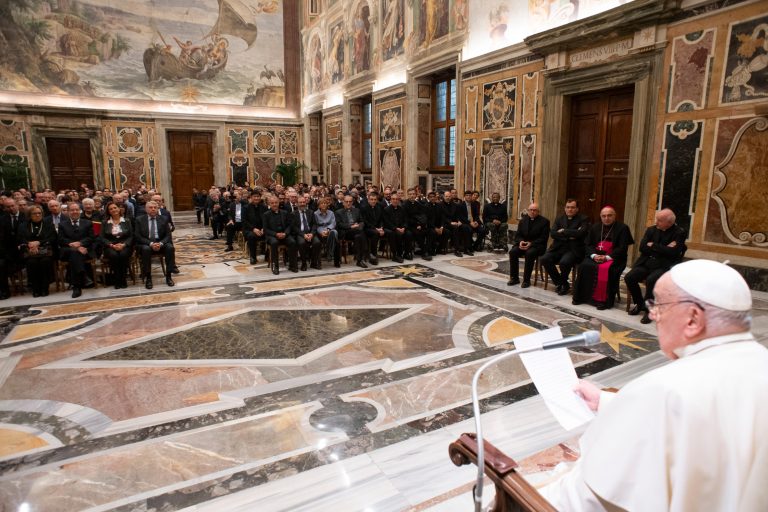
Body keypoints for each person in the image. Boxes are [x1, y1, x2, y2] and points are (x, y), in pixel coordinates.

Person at [540, 259, 768, 511]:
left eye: (659, 304)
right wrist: (606, 402)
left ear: (693, 318)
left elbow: (586, 500)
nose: (651, 313)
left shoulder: (662, 389)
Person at [625, 208, 687, 324]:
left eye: (659, 220)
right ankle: (640, 304)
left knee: (651, 280)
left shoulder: (679, 232)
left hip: (664, 266)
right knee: (629, 277)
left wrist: (653, 245)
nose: (656, 222)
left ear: (669, 222)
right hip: (646, 262)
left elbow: (674, 252)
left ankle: (650, 310)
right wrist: (664, 248)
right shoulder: (651, 230)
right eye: (656, 219)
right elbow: (642, 247)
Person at [572, 206, 634, 310]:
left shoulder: (623, 228)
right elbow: (588, 245)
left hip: (615, 258)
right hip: (596, 256)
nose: (606, 218)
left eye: (609, 215)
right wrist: (594, 255)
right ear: (601, 217)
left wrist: (607, 257)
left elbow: (622, 248)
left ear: (615, 216)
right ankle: (581, 297)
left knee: (607, 269)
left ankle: (603, 300)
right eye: (604, 216)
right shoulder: (595, 227)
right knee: (584, 266)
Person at [540, 198, 590, 296]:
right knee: (544, 259)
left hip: (574, 250)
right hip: (558, 247)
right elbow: (553, 233)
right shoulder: (559, 218)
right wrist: (571, 235)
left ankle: (562, 284)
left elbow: (581, 233)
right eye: (568, 207)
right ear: (565, 208)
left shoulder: (584, 219)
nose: (570, 210)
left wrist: (563, 231)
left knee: (564, 262)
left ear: (577, 209)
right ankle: (561, 283)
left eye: (572, 207)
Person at [135, 200, 175, 289]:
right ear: (146, 209)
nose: (153, 209)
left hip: (160, 242)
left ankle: (169, 276)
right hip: (146, 243)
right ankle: (148, 277)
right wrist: (151, 243)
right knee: (146, 249)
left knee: (170, 247)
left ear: (157, 209)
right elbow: (138, 236)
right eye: (150, 208)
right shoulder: (139, 220)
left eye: (155, 208)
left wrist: (160, 243)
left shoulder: (164, 219)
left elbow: (168, 235)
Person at [17, 205, 56, 297]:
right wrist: (30, 244)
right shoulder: (23, 225)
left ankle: (44, 288)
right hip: (30, 252)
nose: (37, 215)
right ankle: (35, 288)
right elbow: (20, 239)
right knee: (32, 262)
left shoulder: (48, 224)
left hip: (45, 251)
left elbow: (52, 238)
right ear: (29, 215)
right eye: (34, 213)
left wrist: (38, 242)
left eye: (39, 213)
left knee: (44, 261)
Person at [58, 202, 95, 298]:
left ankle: (76, 286)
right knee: (74, 252)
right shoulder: (62, 224)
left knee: (75, 254)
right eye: (72, 210)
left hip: (85, 250)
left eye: (76, 210)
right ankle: (83, 276)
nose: (74, 212)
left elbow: (91, 238)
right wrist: (73, 245)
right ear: (68, 212)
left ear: (80, 211)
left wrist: (80, 243)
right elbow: (61, 239)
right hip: (68, 250)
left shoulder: (87, 223)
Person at [508, 203, 549, 288]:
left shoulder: (544, 221)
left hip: (537, 246)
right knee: (513, 252)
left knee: (529, 253)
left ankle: (526, 280)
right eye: (531, 210)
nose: (532, 212)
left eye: (535, 210)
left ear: (538, 211)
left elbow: (544, 238)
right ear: (528, 211)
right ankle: (514, 278)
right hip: (523, 244)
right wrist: (521, 241)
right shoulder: (523, 220)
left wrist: (531, 243)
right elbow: (518, 235)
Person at [101, 202, 133, 289]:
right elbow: (102, 238)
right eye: (110, 209)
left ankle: (123, 279)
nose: (113, 210)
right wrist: (111, 245)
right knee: (114, 255)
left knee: (123, 255)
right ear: (108, 212)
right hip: (110, 246)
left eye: (115, 208)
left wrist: (124, 244)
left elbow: (130, 236)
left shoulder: (126, 221)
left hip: (124, 245)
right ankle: (117, 280)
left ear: (119, 209)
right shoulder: (105, 222)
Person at [262, 195, 298, 275]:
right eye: (272, 203)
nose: (274, 204)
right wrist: (276, 234)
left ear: (278, 203)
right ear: (269, 204)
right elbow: (265, 229)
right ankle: (276, 266)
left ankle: (292, 265)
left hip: (284, 234)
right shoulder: (266, 214)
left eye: (276, 202)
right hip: (272, 236)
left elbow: (289, 226)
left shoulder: (284, 212)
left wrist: (285, 233)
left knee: (292, 242)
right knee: (274, 243)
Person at [335, 195, 368, 268]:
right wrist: (351, 226)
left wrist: (359, 226)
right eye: (346, 202)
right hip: (346, 232)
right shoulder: (338, 212)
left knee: (358, 236)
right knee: (361, 233)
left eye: (350, 202)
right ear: (343, 203)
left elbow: (362, 221)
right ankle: (366, 254)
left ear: (352, 202)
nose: (348, 203)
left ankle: (359, 260)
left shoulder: (357, 210)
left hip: (357, 231)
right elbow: (339, 224)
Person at [293, 195, 321, 271]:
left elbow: (315, 224)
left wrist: (312, 233)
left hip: (310, 233)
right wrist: (303, 235)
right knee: (301, 243)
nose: (302, 204)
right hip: (300, 234)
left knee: (317, 242)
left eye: (303, 202)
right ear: (297, 204)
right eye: (300, 202)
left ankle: (313, 263)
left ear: (306, 203)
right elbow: (294, 227)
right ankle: (304, 263)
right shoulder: (293, 214)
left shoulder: (311, 212)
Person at [314, 197, 339, 268]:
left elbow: (333, 223)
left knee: (334, 232)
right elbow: (316, 225)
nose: (324, 205)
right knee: (333, 236)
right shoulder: (315, 214)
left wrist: (328, 229)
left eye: (325, 203)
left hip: (330, 230)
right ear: (319, 205)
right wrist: (321, 232)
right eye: (322, 203)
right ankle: (330, 254)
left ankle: (329, 253)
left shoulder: (331, 213)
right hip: (320, 231)